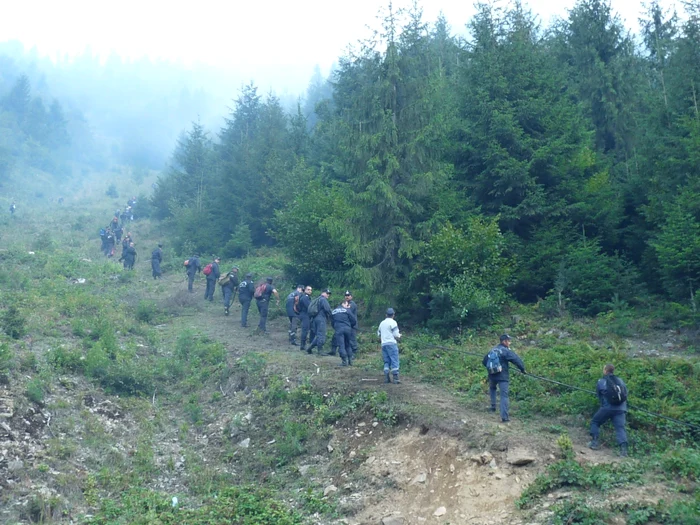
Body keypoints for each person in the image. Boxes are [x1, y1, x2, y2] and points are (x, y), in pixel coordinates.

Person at [482, 334, 526, 423]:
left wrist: (492, 369)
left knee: (492, 389)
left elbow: (484, 361)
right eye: (509, 341)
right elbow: (516, 360)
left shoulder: (493, 350)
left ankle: (493, 407)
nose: (510, 343)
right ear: (504, 341)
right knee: (504, 396)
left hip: (492, 375)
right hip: (503, 376)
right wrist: (522, 369)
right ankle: (504, 417)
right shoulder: (505, 351)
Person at [588, 364, 629, 457]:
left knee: (595, 422)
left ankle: (594, 443)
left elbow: (599, 395)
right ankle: (623, 451)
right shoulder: (620, 381)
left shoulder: (601, 381)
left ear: (605, 370)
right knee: (620, 428)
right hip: (621, 409)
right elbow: (625, 394)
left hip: (607, 408)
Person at [378, 308, 402, 384]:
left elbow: (378, 334)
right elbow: (395, 335)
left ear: (386, 315)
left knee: (386, 360)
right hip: (391, 344)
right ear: (393, 315)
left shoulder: (382, 323)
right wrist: (399, 336)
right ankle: (395, 378)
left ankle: (386, 377)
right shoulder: (393, 322)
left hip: (384, 344)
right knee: (394, 359)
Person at [306, 289, 332, 355]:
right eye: (327, 293)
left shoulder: (317, 299)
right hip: (321, 319)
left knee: (318, 335)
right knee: (321, 335)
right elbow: (327, 309)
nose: (328, 295)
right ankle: (320, 351)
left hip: (315, 319)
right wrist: (332, 316)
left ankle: (310, 348)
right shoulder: (323, 300)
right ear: (323, 293)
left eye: (329, 294)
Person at [332, 301, 357, 366]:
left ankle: (344, 361)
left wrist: (336, 327)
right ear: (343, 304)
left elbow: (332, 322)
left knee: (341, 345)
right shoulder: (347, 310)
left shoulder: (334, 311)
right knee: (348, 345)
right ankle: (350, 361)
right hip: (348, 329)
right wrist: (349, 325)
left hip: (339, 329)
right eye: (347, 304)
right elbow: (354, 320)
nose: (348, 305)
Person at [344, 291, 359, 357]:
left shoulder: (352, 304)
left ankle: (354, 353)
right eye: (346, 295)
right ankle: (349, 353)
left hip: (352, 325)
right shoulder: (346, 303)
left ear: (351, 296)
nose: (347, 296)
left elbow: (347, 311)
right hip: (347, 325)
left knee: (352, 339)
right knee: (348, 339)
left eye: (348, 295)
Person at [298, 286, 313, 350]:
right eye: (308, 289)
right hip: (305, 315)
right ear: (305, 290)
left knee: (306, 330)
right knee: (305, 330)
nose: (310, 291)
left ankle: (304, 344)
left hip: (305, 314)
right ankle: (302, 345)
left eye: (311, 290)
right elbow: (309, 307)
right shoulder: (305, 298)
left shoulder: (306, 297)